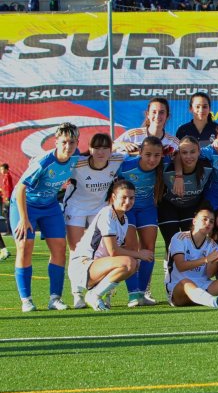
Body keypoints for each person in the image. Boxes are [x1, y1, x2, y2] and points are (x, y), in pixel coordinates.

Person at [11, 123, 80, 312]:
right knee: (25, 247)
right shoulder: (44, 162)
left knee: (59, 248)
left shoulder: (76, 155)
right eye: (64, 142)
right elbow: (21, 189)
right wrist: (24, 219)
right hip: (26, 204)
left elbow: (96, 154)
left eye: (72, 142)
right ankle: (26, 300)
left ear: (77, 142)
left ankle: (55, 298)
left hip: (49, 205)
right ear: (56, 142)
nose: (68, 146)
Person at [62, 133, 126, 306]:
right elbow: (59, 159)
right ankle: (77, 293)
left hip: (98, 209)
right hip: (76, 208)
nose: (101, 152)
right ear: (89, 149)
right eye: (96, 147)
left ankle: (103, 290)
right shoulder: (78, 163)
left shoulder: (116, 160)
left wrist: (124, 145)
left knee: (101, 251)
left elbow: (137, 151)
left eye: (105, 148)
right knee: (76, 251)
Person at [68, 180, 149, 311]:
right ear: (113, 197)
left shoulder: (125, 219)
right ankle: (95, 294)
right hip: (84, 265)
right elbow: (114, 252)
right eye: (124, 197)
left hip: (98, 266)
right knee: (129, 262)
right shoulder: (107, 214)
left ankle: (100, 292)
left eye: (131, 198)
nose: (128, 202)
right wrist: (140, 254)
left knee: (133, 263)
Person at [116, 136, 167, 307]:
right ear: (140, 153)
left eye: (157, 155)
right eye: (148, 155)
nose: (152, 159)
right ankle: (133, 295)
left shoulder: (163, 166)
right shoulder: (126, 166)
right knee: (131, 248)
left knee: (149, 249)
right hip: (127, 210)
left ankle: (142, 292)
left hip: (147, 210)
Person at [158, 136, 213, 256]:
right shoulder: (167, 167)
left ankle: (190, 273)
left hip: (192, 207)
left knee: (190, 244)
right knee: (171, 244)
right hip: (168, 206)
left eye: (193, 152)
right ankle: (170, 273)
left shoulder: (208, 167)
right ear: (179, 154)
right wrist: (178, 175)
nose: (189, 156)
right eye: (184, 153)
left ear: (199, 151)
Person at [114, 97, 180, 156]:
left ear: (167, 116)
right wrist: (120, 144)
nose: (157, 116)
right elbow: (110, 148)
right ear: (147, 114)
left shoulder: (173, 142)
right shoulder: (132, 135)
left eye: (161, 112)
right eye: (154, 112)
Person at [0, 163, 12, 260]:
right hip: (4, 199)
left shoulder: (7, 177)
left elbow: (8, 189)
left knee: (8, 217)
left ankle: (4, 250)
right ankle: (4, 250)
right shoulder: (5, 177)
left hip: (7, 199)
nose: (1, 171)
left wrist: (7, 199)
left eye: (3, 169)